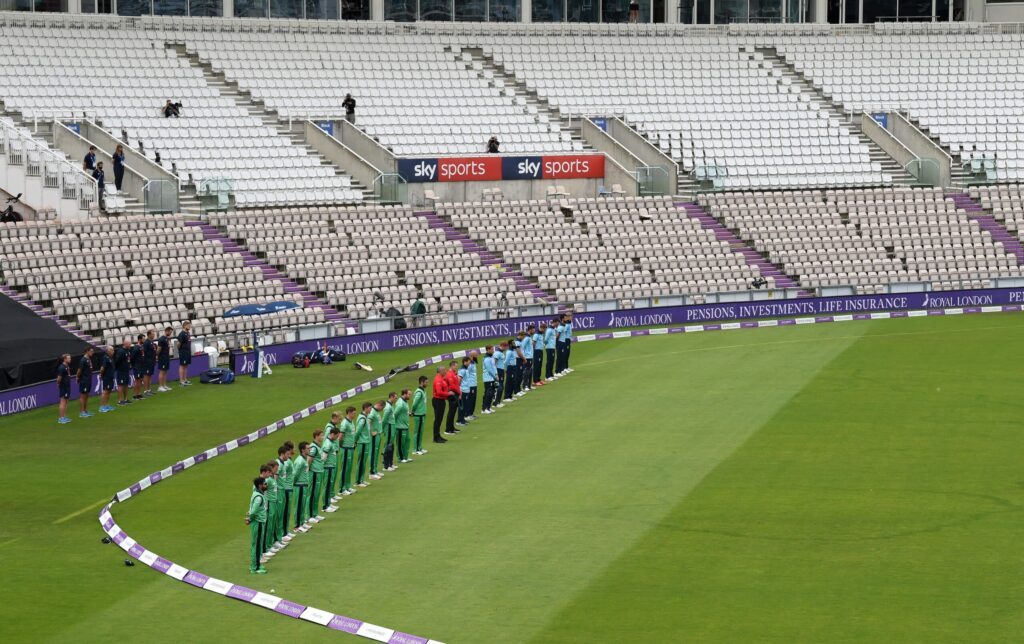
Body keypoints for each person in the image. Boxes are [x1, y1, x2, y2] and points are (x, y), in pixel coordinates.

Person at [246, 476, 269, 574]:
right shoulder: (259, 497)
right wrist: (249, 519)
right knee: (257, 545)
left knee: (257, 544)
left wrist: (249, 518)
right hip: (258, 523)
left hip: (258, 522)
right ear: (260, 485)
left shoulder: (257, 494)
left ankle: (257, 565)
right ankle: (254, 567)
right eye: (265, 484)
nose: (266, 485)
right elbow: (254, 511)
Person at [259, 462, 281, 561]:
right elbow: (264, 492)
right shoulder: (266, 480)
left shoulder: (271, 479)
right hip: (269, 504)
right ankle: (266, 548)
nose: (276, 470)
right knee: (268, 526)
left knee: (271, 525)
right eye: (275, 468)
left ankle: (269, 545)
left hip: (273, 502)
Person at [306, 429, 326, 525]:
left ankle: (314, 513)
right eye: (321, 435)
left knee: (316, 494)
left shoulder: (318, 446)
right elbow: (309, 460)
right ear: (316, 436)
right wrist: (309, 471)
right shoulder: (313, 447)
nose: (323, 437)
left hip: (319, 472)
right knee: (312, 494)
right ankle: (309, 516)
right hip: (314, 473)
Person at [291, 442, 311, 533]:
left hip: (304, 485)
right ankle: (297, 526)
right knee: (299, 506)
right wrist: (294, 484)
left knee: (303, 505)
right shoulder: (299, 461)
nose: (309, 450)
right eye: (308, 448)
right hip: (299, 486)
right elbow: (295, 475)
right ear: (303, 450)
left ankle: (302, 523)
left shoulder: (304, 459)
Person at [277, 443, 295, 541]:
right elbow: (275, 478)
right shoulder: (282, 464)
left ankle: (285, 531)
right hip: (285, 489)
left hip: (286, 488)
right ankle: (283, 533)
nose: (289, 455)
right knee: (283, 513)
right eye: (287, 454)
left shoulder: (285, 462)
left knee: (286, 512)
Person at [338, 406, 357, 495]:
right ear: (349, 413)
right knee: (345, 468)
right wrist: (341, 446)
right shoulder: (344, 423)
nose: (355, 415)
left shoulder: (351, 422)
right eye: (353, 413)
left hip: (351, 447)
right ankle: (342, 489)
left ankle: (347, 486)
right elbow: (340, 436)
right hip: (345, 448)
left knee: (349, 468)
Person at [323, 421, 340, 513]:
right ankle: (325, 506)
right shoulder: (328, 443)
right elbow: (323, 457)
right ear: (332, 434)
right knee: (327, 487)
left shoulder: (331, 442)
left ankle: (328, 503)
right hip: (328, 467)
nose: (337, 438)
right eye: (336, 436)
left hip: (331, 467)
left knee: (329, 486)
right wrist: (324, 465)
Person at [354, 402, 372, 487]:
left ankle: (361, 479)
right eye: (370, 408)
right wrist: (355, 441)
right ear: (365, 408)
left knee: (363, 462)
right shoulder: (362, 419)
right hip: (362, 442)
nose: (371, 409)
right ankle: (358, 481)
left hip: (366, 442)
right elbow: (358, 431)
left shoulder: (365, 417)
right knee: (361, 462)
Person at [431, 367, 449, 444]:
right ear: (440, 371)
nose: (445, 371)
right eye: (444, 370)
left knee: (439, 419)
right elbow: (439, 392)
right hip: (438, 401)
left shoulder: (441, 378)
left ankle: (438, 436)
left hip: (440, 400)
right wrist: (448, 394)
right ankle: (436, 437)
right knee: (438, 419)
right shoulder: (438, 380)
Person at [75, 347, 94, 418]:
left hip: (88, 380)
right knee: (83, 396)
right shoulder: (83, 360)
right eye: (91, 351)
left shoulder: (88, 359)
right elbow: (79, 370)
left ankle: (85, 410)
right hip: (84, 380)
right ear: (87, 351)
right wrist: (77, 377)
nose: (92, 352)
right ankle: (81, 412)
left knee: (86, 396)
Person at [411, 376, 428, 454]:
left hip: (422, 414)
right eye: (426, 382)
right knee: (417, 432)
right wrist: (413, 411)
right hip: (418, 415)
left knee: (420, 432)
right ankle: (415, 450)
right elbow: (414, 403)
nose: (427, 384)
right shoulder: (419, 392)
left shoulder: (423, 391)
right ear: (421, 382)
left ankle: (419, 448)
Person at [394, 388, 411, 465]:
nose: (410, 396)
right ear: (404, 394)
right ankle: (400, 458)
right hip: (400, 427)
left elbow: (404, 412)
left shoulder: (405, 401)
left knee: (407, 442)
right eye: (409, 394)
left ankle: (405, 457)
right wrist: (396, 424)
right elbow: (395, 414)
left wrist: (409, 413)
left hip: (405, 426)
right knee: (401, 443)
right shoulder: (400, 403)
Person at [368, 399, 384, 481]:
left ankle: (375, 470)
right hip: (374, 436)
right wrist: (371, 431)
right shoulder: (372, 412)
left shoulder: (376, 411)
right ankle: (371, 473)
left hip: (378, 435)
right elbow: (368, 422)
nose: (382, 410)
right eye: (382, 408)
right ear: (379, 405)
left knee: (376, 453)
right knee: (373, 453)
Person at [444, 361, 461, 435]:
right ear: (452, 366)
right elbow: (452, 386)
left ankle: (452, 427)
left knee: (453, 412)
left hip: (455, 393)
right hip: (452, 394)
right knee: (451, 412)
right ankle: (448, 429)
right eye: (456, 366)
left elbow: (456, 384)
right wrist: (459, 392)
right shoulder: (450, 374)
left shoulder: (454, 373)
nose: (456, 367)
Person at [381, 393, 396, 473]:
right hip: (389, 427)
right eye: (395, 398)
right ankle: (386, 466)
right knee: (388, 446)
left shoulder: (390, 406)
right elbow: (384, 419)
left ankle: (390, 463)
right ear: (391, 397)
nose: (396, 399)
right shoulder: (388, 407)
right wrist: (382, 428)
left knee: (391, 445)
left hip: (391, 427)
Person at [98, 345, 116, 413]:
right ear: (108, 351)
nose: (113, 351)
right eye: (112, 350)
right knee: (105, 391)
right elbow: (102, 368)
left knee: (109, 391)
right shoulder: (105, 358)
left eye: (113, 350)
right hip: (106, 377)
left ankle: (106, 405)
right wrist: (101, 374)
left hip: (111, 377)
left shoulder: (111, 358)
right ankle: (101, 407)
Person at [114, 339, 132, 405]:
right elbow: (117, 361)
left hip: (126, 370)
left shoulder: (127, 351)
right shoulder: (121, 351)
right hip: (121, 371)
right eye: (129, 344)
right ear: (125, 344)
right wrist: (119, 368)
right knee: (121, 385)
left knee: (126, 385)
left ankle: (126, 399)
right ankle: (120, 400)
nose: (130, 345)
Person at [481, 345, 497, 414]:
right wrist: (495, 376)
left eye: (493, 349)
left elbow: (494, 367)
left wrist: (496, 374)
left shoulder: (491, 357)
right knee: (488, 394)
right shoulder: (486, 359)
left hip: (492, 378)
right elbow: (489, 370)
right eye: (492, 349)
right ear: (488, 350)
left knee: (491, 393)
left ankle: (488, 407)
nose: (493, 350)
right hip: (488, 378)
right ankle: (485, 409)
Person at [56, 353, 72, 424]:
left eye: (70, 358)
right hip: (63, 386)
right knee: (63, 402)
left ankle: (64, 416)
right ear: (65, 359)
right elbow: (59, 378)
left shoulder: (67, 366)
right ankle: (61, 418)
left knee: (66, 401)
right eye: (69, 358)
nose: (70, 359)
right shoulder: (61, 367)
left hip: (67, 386)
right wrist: (58, 383)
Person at [129, 334, 146, 401]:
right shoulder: (136, 348)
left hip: (141, 366)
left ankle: (139, 394)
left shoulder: (141, 347)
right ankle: (134, 395)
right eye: (143, 339)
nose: (144, 340)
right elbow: (132, 357)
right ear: (139, 339)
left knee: (140, 380)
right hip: (137, 366)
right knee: (137, 380)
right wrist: (134, 365)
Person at [503, 336, 519, 402]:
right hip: (510, 367)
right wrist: (505, 368)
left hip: (514, 367)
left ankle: (510, 396)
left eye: (514, 343)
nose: (514, 344)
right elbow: (506, 361)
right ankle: (506, 397)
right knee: (509, 382)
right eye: (513, 343)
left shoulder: (513, 351)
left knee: (513, 381)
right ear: (510, 345)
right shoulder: (509, 352)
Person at [177, 321, 193, 386]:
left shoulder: (188, 333)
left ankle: (185, 380)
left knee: (186, 366)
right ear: (184, 326)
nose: (189, 326)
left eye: (189, 325)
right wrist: (181, 350)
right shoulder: (182, 334)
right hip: (183, 352)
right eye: (188, 325)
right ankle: (181, 381)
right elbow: (178, 344)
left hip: (188, 352)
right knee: (182, 366)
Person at [156, 327, 172, 392]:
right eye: (170, 332)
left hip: (166, 357)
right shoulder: (161, 339)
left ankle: (164, 385)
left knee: (165, 372)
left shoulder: (167, 339)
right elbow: (159, 349)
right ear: (166, 331)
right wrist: (156, 355)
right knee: (162, 372)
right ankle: (160, 386)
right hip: (162, 357)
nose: (170, 333)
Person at [456, 357, 471, 426]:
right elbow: (458, 380)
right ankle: (459, 420)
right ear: (465, 362)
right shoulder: (462, 370)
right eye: (468, 362)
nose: (469, 363)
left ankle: (462, 419)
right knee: (462, 406)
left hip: (466, 390)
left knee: (465, 406)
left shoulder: (466, 369)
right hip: (462, 391)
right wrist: (459, 391)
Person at [519, 327, 534, 393]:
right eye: (533, 330)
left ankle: (529, 385)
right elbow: (522, 346)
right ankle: (525, 386)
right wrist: (524, 356)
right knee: (527, 371)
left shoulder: (529, 337)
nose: (534, 331)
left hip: (530, 356)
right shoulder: (527, 338)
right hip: (527, 357)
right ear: (530, 330)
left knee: (530, 371)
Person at [142, 329, 156, 396]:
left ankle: (149, 389)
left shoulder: (151, 342)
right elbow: (144, 352)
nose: (154, 335)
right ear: (149, 335)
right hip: (147, 362)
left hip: (152, 361)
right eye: (153, 334)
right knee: (146, 375)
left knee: (149, 375)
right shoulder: (146, 342)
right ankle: (145, 391)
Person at [466, 351, 478, 421]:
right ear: (472, 355)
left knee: (473, 400)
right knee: (470, 400)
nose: (477, 356)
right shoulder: (470, 364)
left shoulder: (473, 363)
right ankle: (467, 414)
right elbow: (466, 373)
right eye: (476, 355)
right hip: (471, 384)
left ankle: (471, 413)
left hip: (474, 383)